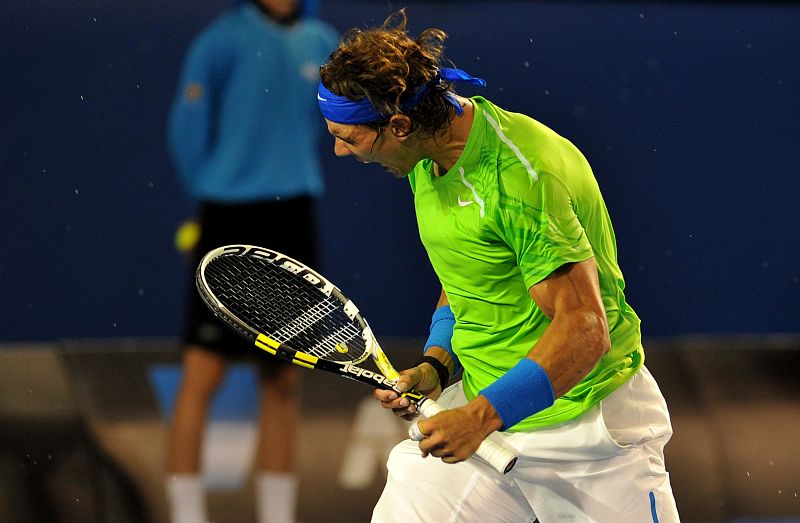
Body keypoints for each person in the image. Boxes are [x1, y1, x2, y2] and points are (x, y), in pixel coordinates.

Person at [317, 10, 680, 523]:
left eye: (349, 137)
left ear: (399, 125)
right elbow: (467, 274)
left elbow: (585, 328)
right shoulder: (424, 157)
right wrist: (438, 364)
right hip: (485, 425)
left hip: (587, 431)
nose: (338, 150)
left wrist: (482, 417)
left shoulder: (519, 178)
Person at [165, 2, 337, 522]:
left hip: (294, 215)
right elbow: (187, 129)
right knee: (202, 372)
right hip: (227, 214)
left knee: (284, 380)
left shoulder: (322, 41)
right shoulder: (219, 40)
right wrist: (214, 191)